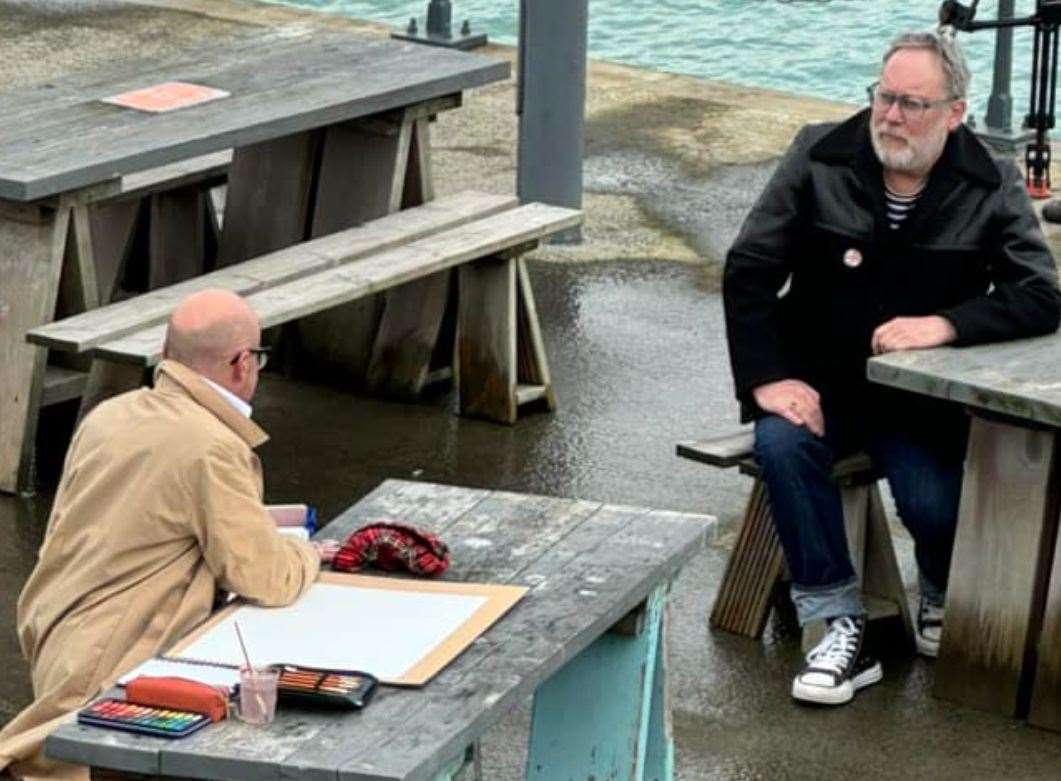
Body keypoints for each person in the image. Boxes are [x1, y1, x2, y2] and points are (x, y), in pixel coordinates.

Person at [723, 30, 1061, 706]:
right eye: (883, 97)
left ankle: (937, 585)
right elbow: (749, 269)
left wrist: (947, 324)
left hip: (918, 403)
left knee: (933, 502)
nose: (890, 116)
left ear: (954, 113)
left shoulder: (987, 179)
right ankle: (837, 622)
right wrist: (767, 379)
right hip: (816, 383)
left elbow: (1040, 295)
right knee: (781, 445)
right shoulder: (818, 154)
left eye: (911, 103)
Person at [0, 289, 339, 779]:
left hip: (57, 629)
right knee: (69, 763)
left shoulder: (109, 416)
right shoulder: (212, 446)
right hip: (114, 653)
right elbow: (266, 577)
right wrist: (304, 554)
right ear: (243, 364)